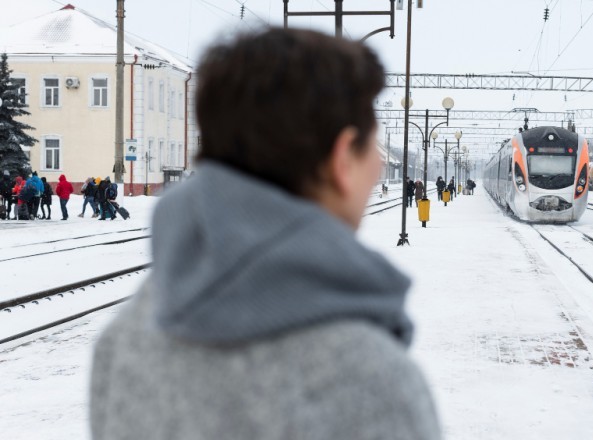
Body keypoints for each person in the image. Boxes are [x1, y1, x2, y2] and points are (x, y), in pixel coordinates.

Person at [90, 28, 440, 440]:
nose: (378, 167)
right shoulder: (372, 380)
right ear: (343, 158)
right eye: (371, 148)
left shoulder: (122, 342)